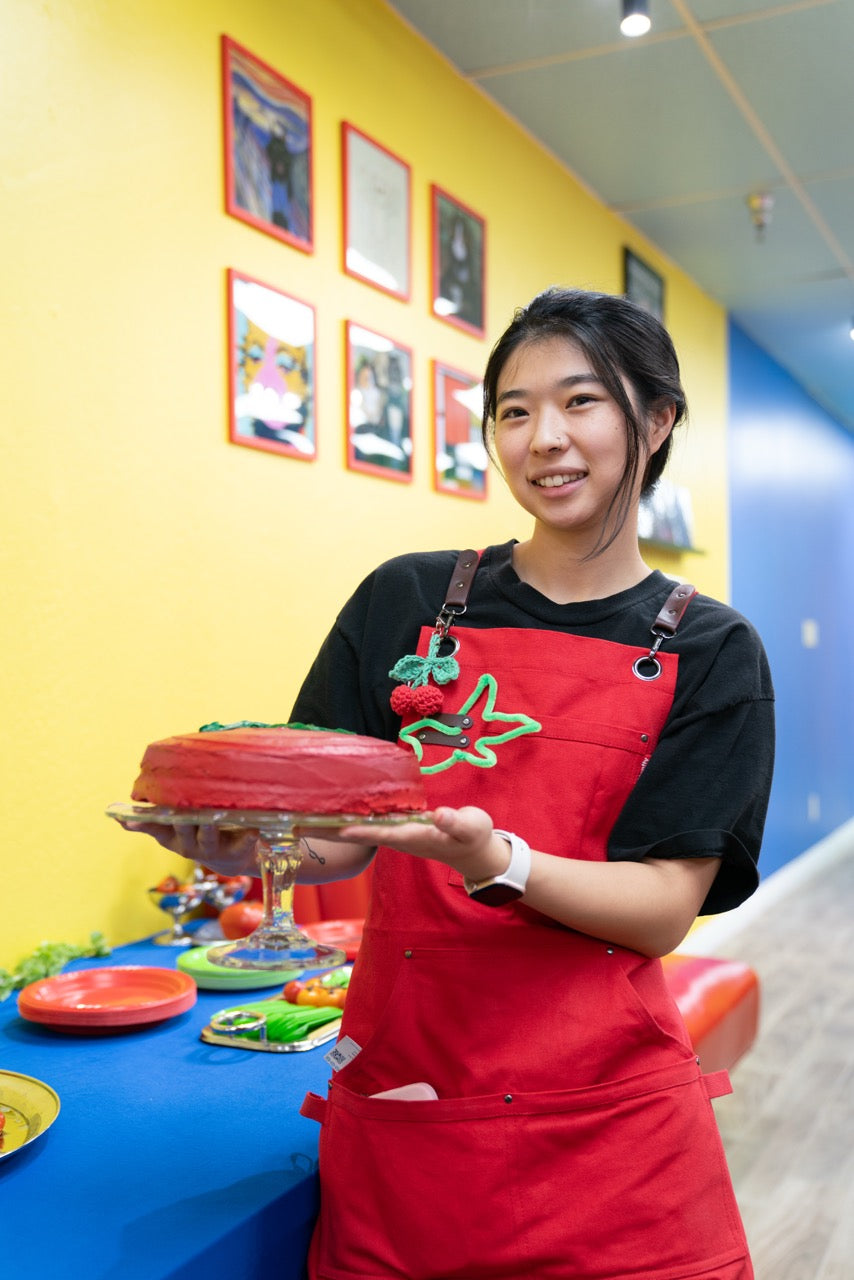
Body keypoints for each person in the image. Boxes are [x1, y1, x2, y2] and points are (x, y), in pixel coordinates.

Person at [129, 287, 774, 1279]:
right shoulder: (407, 598)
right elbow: (338, 834)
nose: (542, 438)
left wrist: (493, 857)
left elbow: (656, 910)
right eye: (512, 411)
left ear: (653, 420)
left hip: (609, 1134)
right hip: (411, 1104)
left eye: (578, 402)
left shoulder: (708, 648)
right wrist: (246, 843)